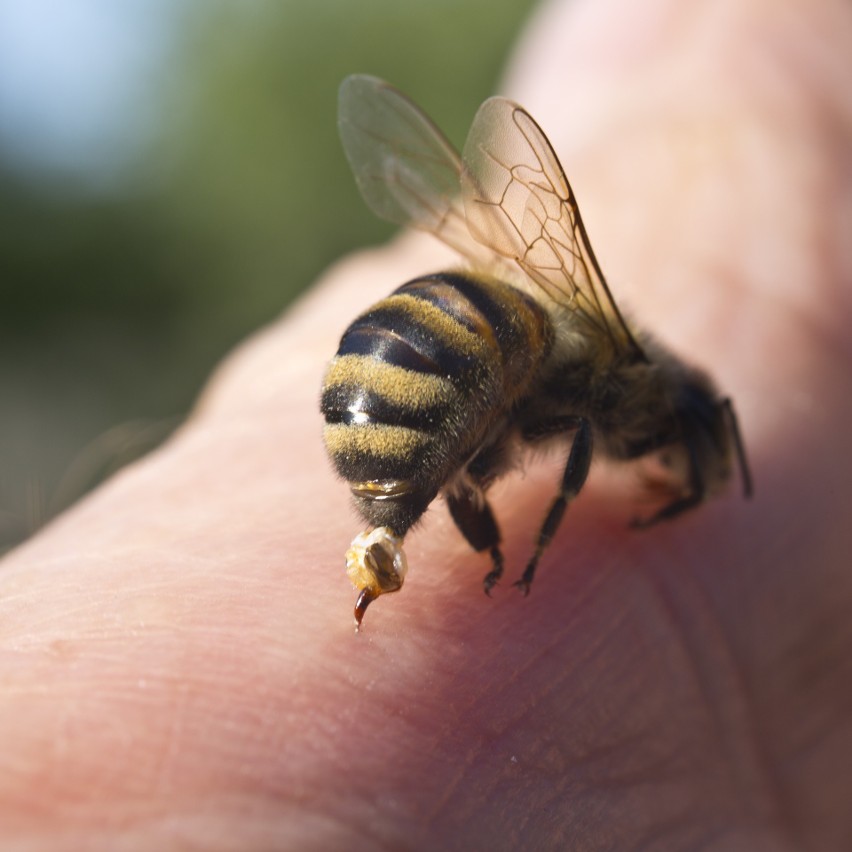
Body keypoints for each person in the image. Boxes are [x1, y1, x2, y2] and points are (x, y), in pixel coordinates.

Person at [2, 0, 850, 847]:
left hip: (390, 359)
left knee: (486, 405)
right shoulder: (613, 384)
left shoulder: (551, 359)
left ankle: (398, 523)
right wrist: (540, 548)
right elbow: (559, 432)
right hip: (441, 357)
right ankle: (417, 522)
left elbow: (493, 426)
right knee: (500, 403)